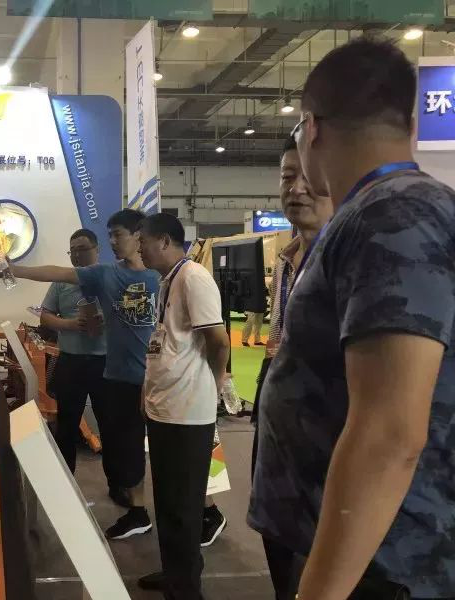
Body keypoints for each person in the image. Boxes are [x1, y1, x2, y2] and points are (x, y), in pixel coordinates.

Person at [249, 37, 455, 600]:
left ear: (311, 128)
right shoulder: (381, 211)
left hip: (384, 563)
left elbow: (390, 433)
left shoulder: (394, 215)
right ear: (411, 124)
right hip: (361, 551)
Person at [0, 209, 160, 540]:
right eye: (110, 235)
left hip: (147, 374)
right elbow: (56, 277)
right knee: (102, 434)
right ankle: (134, 508)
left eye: (118, 235)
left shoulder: (163, 277)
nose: (113, 242)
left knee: (153, 443)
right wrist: (15, 269)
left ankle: (192, 509)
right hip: (108, 371)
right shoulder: (104, 275)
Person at [250, 135, 333, 598]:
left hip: (324, 424)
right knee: (279, 535)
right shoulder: (286, 259)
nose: (296, 188)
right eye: (287, 176)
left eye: (308, 176)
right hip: (275, 388)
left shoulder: (351, 257)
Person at [136, 213, 230, 599]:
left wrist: (214, 382)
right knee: (169, 502)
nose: (139, 249)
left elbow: (219, 341)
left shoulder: (193, 278)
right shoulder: (168, 280)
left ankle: (186, 588)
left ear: (163, 240)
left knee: (183, 506)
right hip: (166, 407)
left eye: (142, 241)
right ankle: (176, 571)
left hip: (187, 412)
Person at [40, 229, 106, 474]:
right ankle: (65, 479)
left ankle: (118, 484)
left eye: (82, 249)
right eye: (73, 251)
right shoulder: (61, 282)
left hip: (105, 363)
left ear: (97, 250)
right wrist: (69, 324)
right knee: (66, 424)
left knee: (110, 424)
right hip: (71, 362)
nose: (77, 255)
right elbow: (45, 315)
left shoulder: (111, 278)